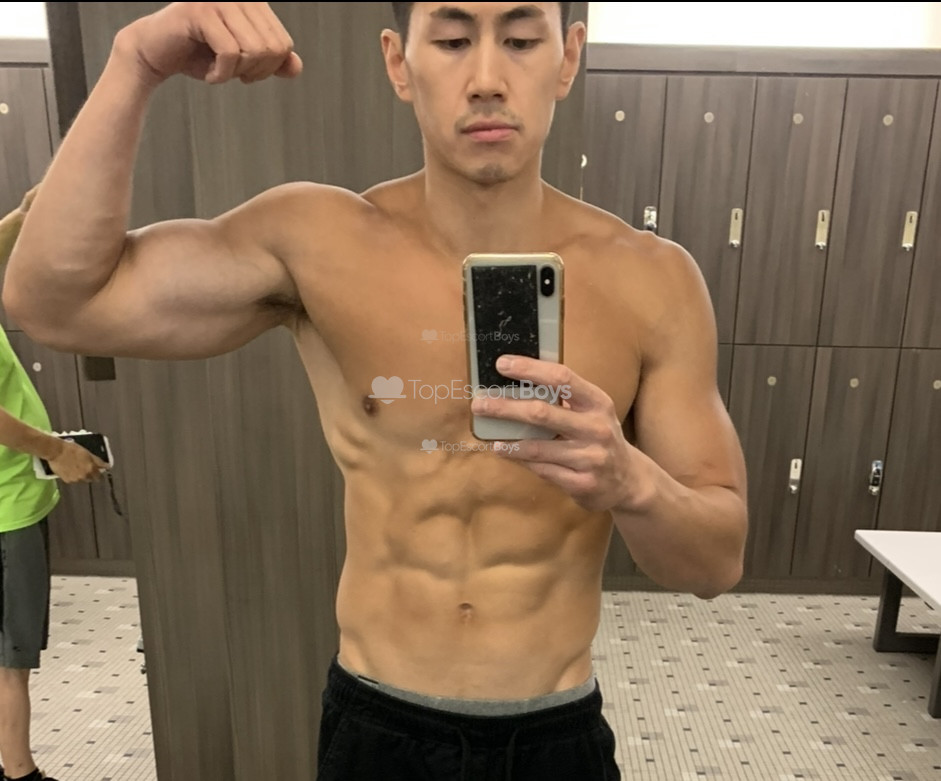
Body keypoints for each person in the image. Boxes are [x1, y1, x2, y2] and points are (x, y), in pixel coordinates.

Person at [3, 2, 749, 778]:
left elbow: (715, 562)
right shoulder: (318, 241)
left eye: (521, 40)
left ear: (566, 58)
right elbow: (57, 303)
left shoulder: (651, 279)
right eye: (452, 40)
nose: (486, 78)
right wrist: (134, 63)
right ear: (399, 62)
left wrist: (631, 482)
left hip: (553, 733)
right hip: (380, 725)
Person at [0, 189, 107, 781]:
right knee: (10, 657)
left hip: (13, 498)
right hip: (6, 510)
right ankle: (20, 773)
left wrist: (22, 217)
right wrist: (57, 451)